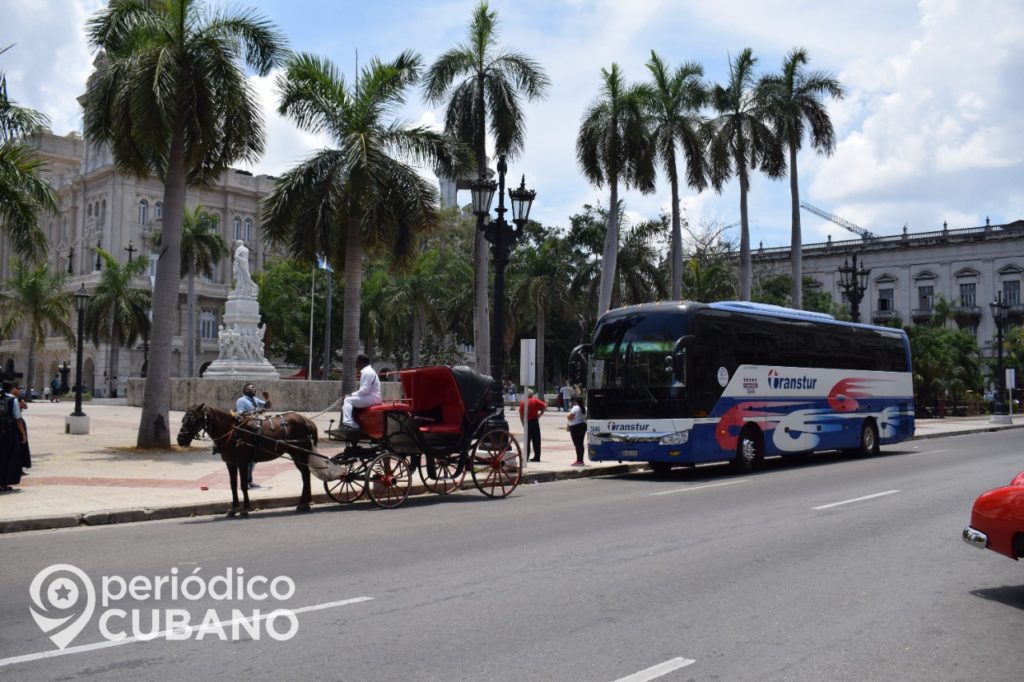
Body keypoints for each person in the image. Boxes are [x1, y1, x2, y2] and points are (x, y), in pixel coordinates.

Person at [235, 383, 271, 488]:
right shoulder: (241, 400)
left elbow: (268, 406)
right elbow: (241, 414)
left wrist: (267, 397)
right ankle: (245, 482)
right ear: (245, 390)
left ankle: (249, 480)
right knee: (247, 456)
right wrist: (256, 411)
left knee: (254, 458)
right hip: (247, 428)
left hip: (257, 427)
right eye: (251, 387)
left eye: (255, 387)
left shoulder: (255, 399)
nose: (254, 388)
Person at [342, 354, 382, 430]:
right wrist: (353, 395)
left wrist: (351, 395)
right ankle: (353, 422)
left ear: (361, 363)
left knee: (348, 400)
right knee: (349, 400)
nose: (355, 365)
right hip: (371, 397)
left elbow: (365, 390)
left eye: (356, 362)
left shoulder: (367, 372)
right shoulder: (368, 371)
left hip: (372, 398)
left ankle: (348, 423)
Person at [0, 381, 26, 491]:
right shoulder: (13, 400)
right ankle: (3, 484)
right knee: (6, 458)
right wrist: (23, 434)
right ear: (11, 389)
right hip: (7, 433)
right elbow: (18, 419)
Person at [518, 389, 547, 462]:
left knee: (527, 441)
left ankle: (526, 457)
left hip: (527, 422)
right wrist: (540, 415)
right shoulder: (535, 400)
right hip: (535, 421)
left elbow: (521, 415)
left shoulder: (523, 402)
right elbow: (545, 406)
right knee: (536, 440)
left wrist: (523, 424)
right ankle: (537, 457)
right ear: (532, 394)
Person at [12, 385, 30, 475]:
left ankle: (20, 467)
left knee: (22, 445)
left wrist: (20, 401)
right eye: (17, 389)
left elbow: (25, 406)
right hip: (14, 422)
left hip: (19, 421)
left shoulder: (18, 399)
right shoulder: (10, 399)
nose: (19, 391)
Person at [566, 396, 587, 466]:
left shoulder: (575, 408)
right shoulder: (585, 408)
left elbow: (570, 417)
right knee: (581, 444)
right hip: (583, 426)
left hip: (575, 427)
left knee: (577, 444)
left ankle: (579, 460)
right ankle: (581, 460)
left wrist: (567, 416)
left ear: (576, 401)